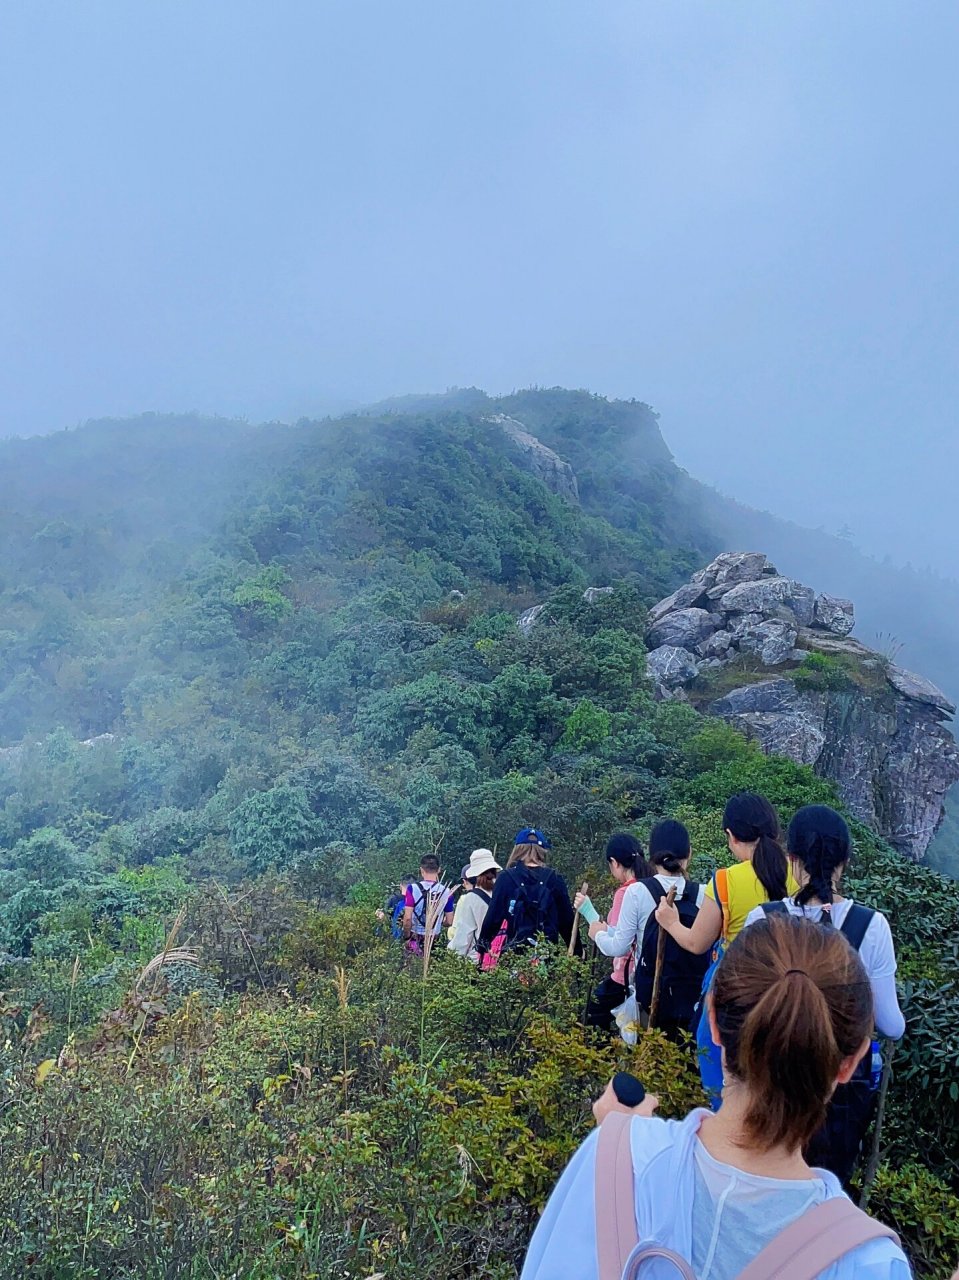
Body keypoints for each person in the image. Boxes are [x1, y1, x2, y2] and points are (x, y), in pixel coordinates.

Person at [521, 914, 911, 1280]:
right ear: (852, 1061)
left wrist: (624, 1148)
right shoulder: (871, 1263)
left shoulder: (617, 1156)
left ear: (714, 1022)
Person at [743, 804, 906, 1186]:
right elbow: (891, 1026)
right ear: (844, 860)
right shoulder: (871, 927)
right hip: (840, 1096)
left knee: (765, 1180)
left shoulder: (763, 920)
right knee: (825, 1193)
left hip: (771, 1080)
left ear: (791, 858)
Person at [654, 793, 796, 1101]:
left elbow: (696, 942)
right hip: (789, 983)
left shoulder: (726, 880)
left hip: (735, 987)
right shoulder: (798, 875)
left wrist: (669, 921)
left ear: (731, 836)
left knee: (721, 1067)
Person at [578, 820, 708, 1039]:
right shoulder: (704, 893)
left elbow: (619, 947)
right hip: (694, 998)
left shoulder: (638, 892)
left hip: (651, 998)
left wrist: (597, 933)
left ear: (652, 854)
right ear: (689, 853)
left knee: (649, 1058)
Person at [583, 833, 651, 1030]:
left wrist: (595, 928)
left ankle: (601, 1057)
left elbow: (618, 942)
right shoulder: (651, 885)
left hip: (626, 976)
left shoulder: (626, 892)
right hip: (648, 974)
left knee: (592, 1014)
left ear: (614, 862)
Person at [476, 828, 575, 955]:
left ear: (517, 849)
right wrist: (577, 951)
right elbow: (567, 921)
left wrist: (483, 944)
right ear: (543, 849)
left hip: (514, 956)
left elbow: (493, 917)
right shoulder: (555, 879)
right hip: (548, 956)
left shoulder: (505, 878)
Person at [447, 848, 502, 963]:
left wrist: (452, 957)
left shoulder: (471, 898)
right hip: (503, 957)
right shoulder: (505, 891)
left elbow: (463, 937)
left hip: (479, 959)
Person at [402, 854, 455, 952]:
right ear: (439, 870)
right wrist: (440, 922)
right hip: (434, 939)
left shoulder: (412, 889)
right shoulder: (447, 892)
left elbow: (408, 918)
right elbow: (450, 921)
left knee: (412, 965)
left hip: (415, 937)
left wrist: (406, 937)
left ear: (421, 870)